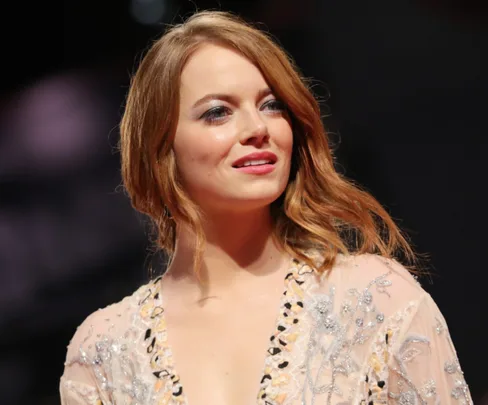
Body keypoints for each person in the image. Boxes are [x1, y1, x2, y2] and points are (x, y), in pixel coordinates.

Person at [59, 10, 473, 405]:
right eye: (218, 113)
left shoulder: (375, 298)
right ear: (159, 147)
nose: (258, 129)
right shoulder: (103, 350)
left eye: (271, 104)